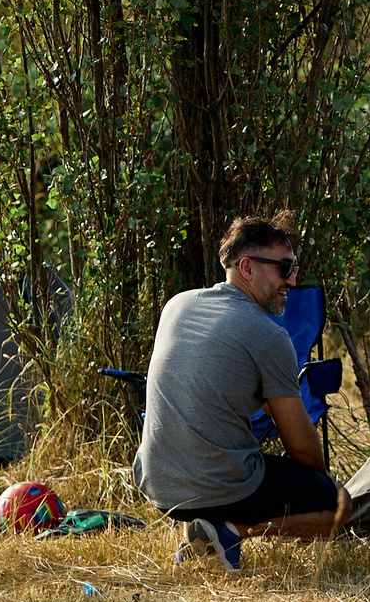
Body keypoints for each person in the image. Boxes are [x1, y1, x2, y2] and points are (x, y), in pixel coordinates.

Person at [133, 215, 349, 570]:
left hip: (158, 483)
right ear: (247, 267)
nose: (292, 281)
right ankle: (232, 530)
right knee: (339, 504)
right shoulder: (268, 335)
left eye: (294, 268)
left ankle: (201, 531)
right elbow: (302, 447)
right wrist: (316, 482)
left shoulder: (177, 305)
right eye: (284, 268)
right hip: (222, 487)